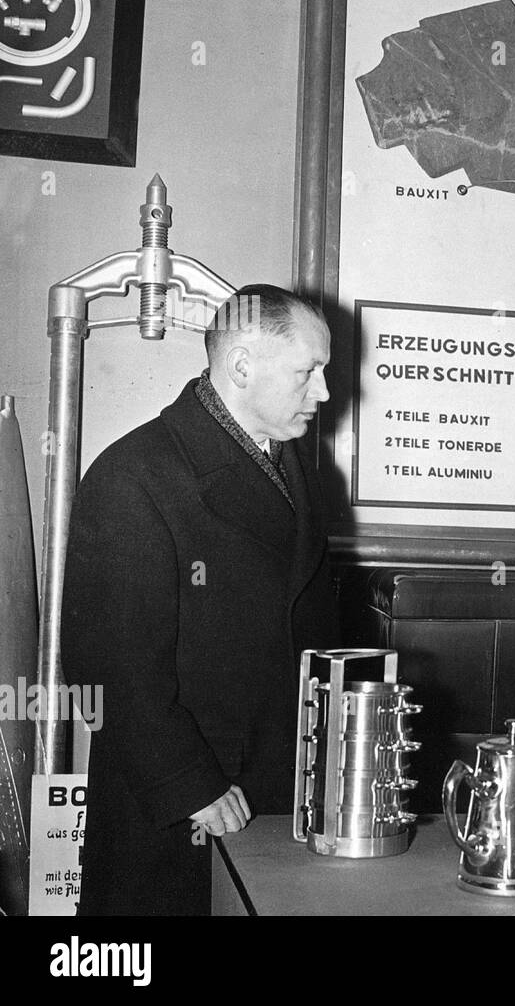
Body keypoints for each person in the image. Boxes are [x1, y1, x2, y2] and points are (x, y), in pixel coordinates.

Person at [60, 284, 339, 915]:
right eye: (308, 372)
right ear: (242, 365)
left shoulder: (301, 471)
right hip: (186, 805)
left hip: (280, 796)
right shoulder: (133, 477)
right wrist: (188, 786)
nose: (323, 393)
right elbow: (106, 671)